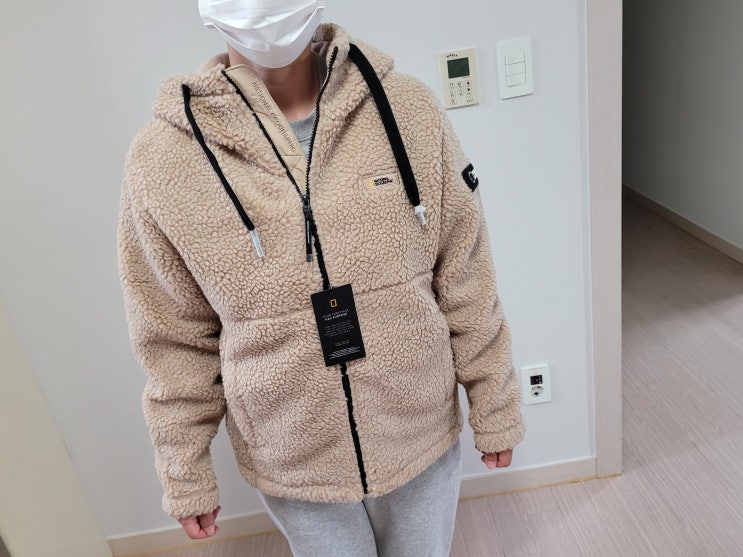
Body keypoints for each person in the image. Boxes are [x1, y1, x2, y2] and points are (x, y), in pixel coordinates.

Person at [118, 1, 525, 555]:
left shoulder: (408, 110)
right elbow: (171, 336)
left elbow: (466, 272)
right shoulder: (162, 159)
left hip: (419, 430)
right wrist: (183, 468)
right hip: (291, 456)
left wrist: (494, 402)